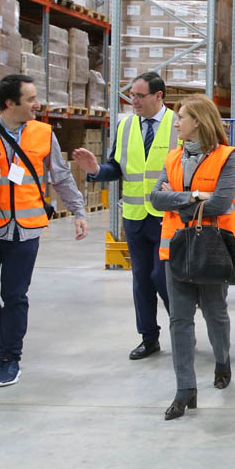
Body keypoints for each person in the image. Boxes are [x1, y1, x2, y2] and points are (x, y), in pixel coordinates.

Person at [0, 74, 88, 388]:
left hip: (25, 231)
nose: (37, 104)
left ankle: (9, 357)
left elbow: (61, 177)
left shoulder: (43, 133)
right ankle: (4, 330)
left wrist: (79, 211)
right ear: (11, 103)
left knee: (15, 296)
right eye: (30, 99)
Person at [149, 95, 235, 420]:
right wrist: (192, 196)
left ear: (198, 122)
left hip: (212, 248)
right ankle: (184, 389)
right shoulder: (173, 158)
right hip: (175, 248)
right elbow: (156, 199)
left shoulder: (228, 157)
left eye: (181, 117)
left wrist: (182, 201)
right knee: (179, 320)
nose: (176, 123)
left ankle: (222, 360)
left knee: (215, 313)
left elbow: (219, 203)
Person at [72, 71, 177, 361]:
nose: (134, 101)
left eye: (140, 96)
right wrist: (95, 170)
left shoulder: (177, 124)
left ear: (159, 96)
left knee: (162, 276)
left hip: (167, 216)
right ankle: (149, 337)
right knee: (141, 279)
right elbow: (116, 167)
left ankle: (182, 328)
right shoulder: (126, 125)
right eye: (131, 95)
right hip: (134, 216)